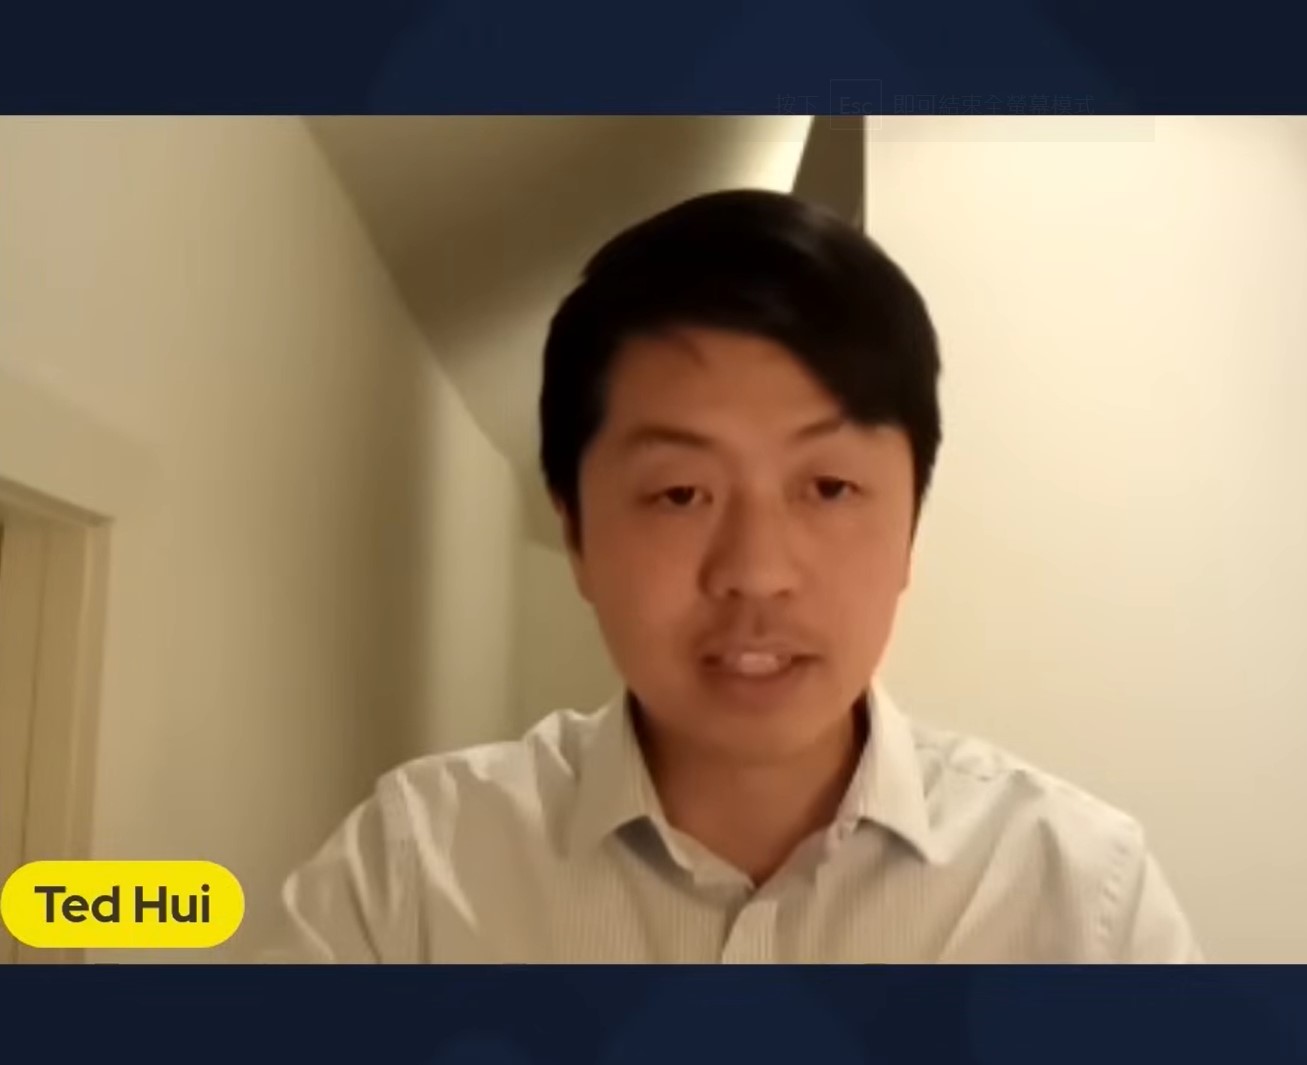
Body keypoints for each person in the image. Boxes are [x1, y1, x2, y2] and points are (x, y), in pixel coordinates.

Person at [255, 189, 1201, 963]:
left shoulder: (1081, 901)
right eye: (680, 493)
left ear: (910, 524)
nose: (756, 572)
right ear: (575, 530)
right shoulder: (414, 876)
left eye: (828, 487)